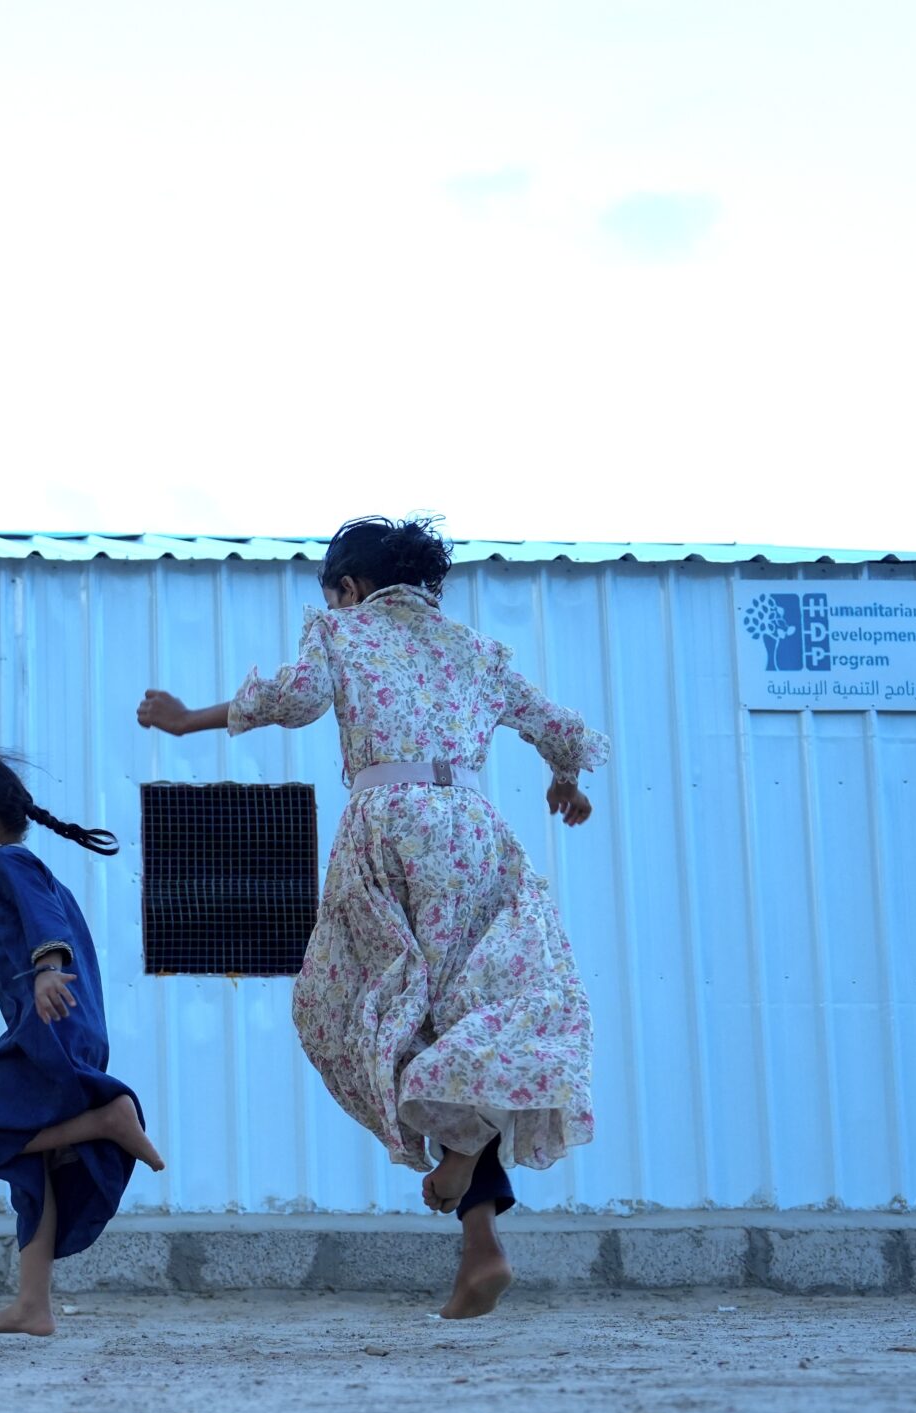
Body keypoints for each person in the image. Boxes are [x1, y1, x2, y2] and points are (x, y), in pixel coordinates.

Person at [137, 515, 609, 1319]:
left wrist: (190, 721)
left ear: (348, 588)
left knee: (346, 1006)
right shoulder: (478, 652)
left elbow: (297, 696)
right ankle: (479, 1241)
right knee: (470, 1013)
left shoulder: (342, 630)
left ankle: (456, 1147)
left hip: (388, 830)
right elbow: (557, 726)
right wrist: (565, 780)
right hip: (473, 831)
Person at [0, 750, 161, 1337]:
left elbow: (40, 915)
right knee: (35, 1168)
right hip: (60, 1027)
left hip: (47, 1031)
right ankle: (33, 1305)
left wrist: (48, 967)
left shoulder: (7, 863)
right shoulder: (19, 864)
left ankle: (106, 1120)